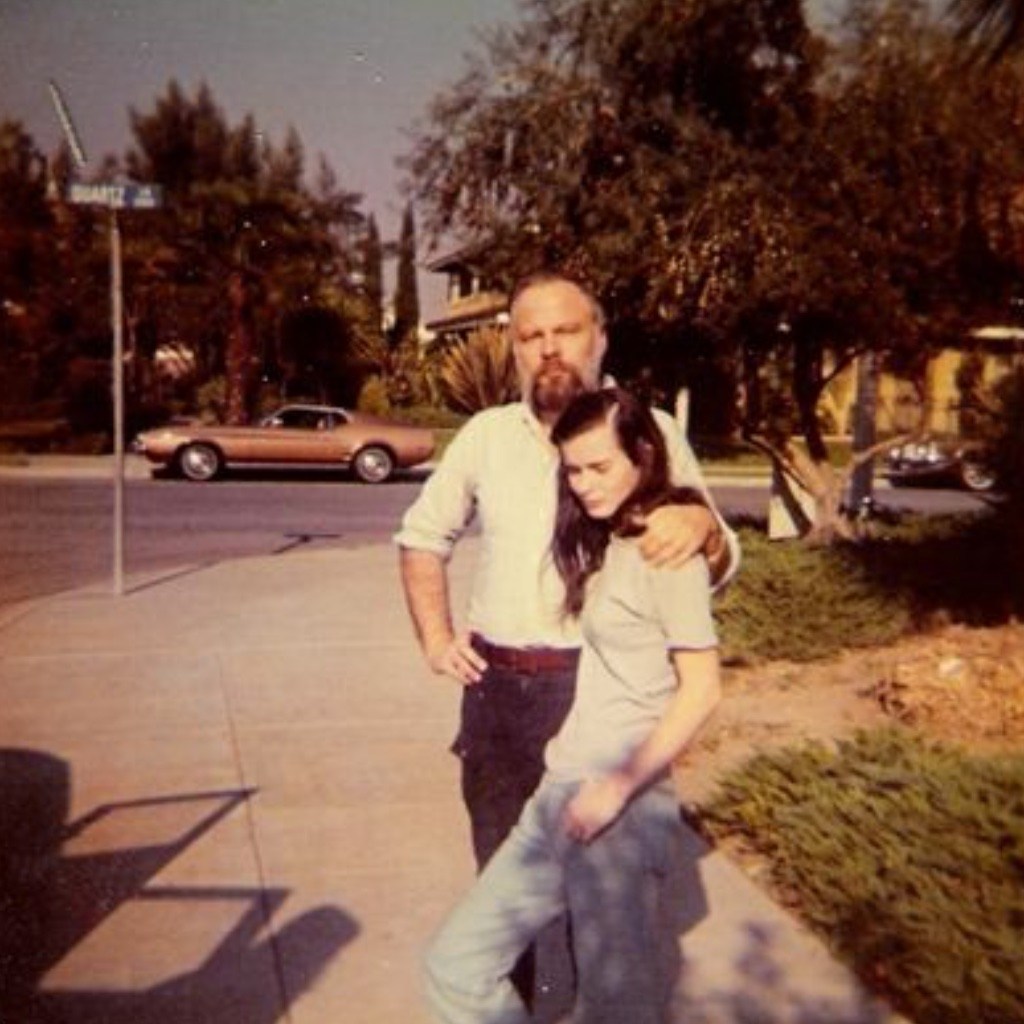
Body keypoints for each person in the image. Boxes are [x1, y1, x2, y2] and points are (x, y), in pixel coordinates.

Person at [396, 270, 737, 998]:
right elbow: (421, 537)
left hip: (587, 686)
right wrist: (436, 637)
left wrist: (701, 522)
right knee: (500, 884)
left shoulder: (648, 429)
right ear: (515, 349)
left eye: (566, 331)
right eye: (531, 336)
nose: (549, 348)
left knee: (601, 921)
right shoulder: (487, 436)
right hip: (494, 694)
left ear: (600, 338)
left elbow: (714, 553)